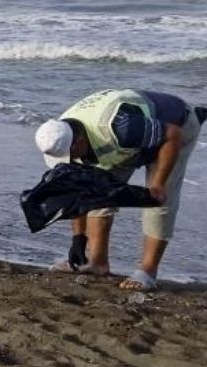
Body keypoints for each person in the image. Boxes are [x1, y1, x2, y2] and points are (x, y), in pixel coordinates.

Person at [35, 89, 203, 290]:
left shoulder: (119, 127)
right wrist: (78, 239)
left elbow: (172, 136)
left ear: (79, 142)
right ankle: (98, 263)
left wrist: (158, 182)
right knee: (95, 193)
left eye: (69, 155)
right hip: (121, 144)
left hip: (175, 128)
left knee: (157, 199)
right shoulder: (60, 131)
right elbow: (77, 191)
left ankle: (147, 272)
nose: (69, 162)